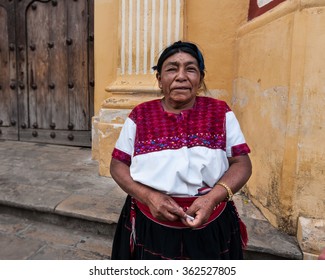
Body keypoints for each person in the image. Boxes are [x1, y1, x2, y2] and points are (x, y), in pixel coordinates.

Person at [110, 41, 252, 260]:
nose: (181, 76)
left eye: (191, 69)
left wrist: (212, 199)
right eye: (172, 69)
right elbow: (118, 165)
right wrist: (148, 197)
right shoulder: (141, 115)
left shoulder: (219, 112)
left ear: (200, 79)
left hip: (211, 224)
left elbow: (241, 163)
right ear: (159, 79)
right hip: (151, 225)